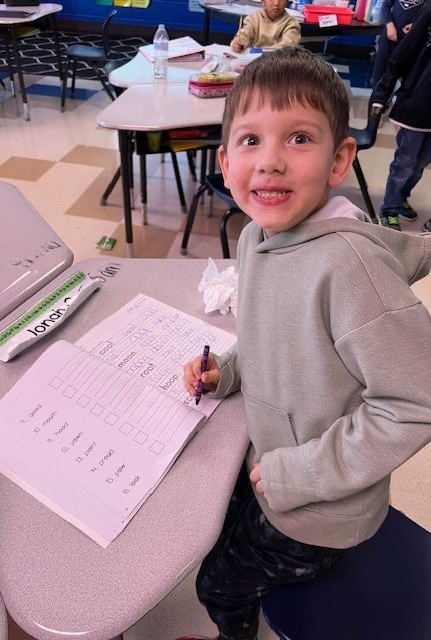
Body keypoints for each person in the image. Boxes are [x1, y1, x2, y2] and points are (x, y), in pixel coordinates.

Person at [180, 48, 431, 640]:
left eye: (297, 139)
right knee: (211, 520)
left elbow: (416, 402)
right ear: (224, 159)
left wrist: (299, 474)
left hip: (322, 506)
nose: (269, 164)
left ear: (340, 158)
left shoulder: (348, 271)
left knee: (215, 582)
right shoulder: (258, 236)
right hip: (276, 465)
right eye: (249, 141)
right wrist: (232, 369)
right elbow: (279, 338)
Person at [372, 0, 431, 230]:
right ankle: (389, 208)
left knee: (421, 163)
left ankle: (400, 197)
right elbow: (405, 51)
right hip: (416, 102)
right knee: (405, 162)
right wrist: (383, 90)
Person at [370, 0, 426, 89]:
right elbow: (385, 7)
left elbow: (426, 13)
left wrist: (416, 25)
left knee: (406, 77)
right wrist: (389, 26)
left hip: (412, 39)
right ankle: (376, 98)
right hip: (390, 35)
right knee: (379, 75)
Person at [230, 0, 300, 53]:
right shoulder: (254, 18)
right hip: (254, 60)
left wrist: (269, 53)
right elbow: (245, 34)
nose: (276, 3)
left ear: (286, 2)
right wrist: (239, 44)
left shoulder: (291, 23)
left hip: (278, 62)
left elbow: (288, 44)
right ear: (263, 1)